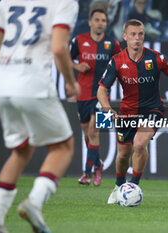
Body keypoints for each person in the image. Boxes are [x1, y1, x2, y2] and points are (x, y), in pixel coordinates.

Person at [0, 0, 80, 232]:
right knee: (63, 147)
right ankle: (34, 203)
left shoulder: (7, 1)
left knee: (21, 151)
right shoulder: (65, 2)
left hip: (3, 82)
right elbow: (58, 47)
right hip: (33, 81)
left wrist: (0, 86)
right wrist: (70, 82)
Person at [97, 19, 168, 204]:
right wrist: (108, 110)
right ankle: (118, 186)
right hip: (126, 112)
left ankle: (133, 186)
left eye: (140, 34)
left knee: (139, 144)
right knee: (123, 154)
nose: (137, 38)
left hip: (153, 109)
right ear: (125, 37)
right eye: (133, 34)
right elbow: (101, 89)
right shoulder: (117, 61)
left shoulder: (156, 57)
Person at [70, 8, 121, 186]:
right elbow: (65, 59)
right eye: (97, 20)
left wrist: (115, 79)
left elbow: (121, 63)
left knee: (94, 131)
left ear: (107, 24)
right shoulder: (79, 40)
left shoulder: (112, 44)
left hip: (103, 95)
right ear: (90, 22)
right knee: (87, 134)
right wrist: (77, 67)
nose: (100, 23)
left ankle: (87, 173)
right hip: (82, 94)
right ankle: (98, 164)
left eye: (104, 21)